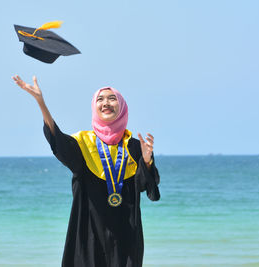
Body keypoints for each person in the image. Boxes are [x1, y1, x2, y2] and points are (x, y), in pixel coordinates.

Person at [12, 75, 160, 267]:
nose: (106, 103)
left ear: (122, 107)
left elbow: (147, 189)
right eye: (100, 99)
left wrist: (147, 162)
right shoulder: (83, 143)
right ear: (94, 107)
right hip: (88, 234)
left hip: (126, 237)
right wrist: (41, 102)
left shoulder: (135, 146)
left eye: (112, 98)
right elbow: (57, 139)